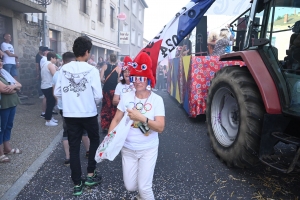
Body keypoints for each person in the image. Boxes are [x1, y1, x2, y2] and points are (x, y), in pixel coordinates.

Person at [108, 52, 165, 200]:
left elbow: (160, 127)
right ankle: (140, 194)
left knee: (145, 188)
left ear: (148, 79)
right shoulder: (126, 96)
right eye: (134, 78)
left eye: (142, 78)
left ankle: (143, 193)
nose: (138, 82)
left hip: (148, 149)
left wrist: (141, 118)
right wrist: (109, 140)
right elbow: (116, 120)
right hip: (127, 148)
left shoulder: (157, 100)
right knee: (130, 187)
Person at [54, 36, 103, 196]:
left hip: (70, 114)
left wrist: (71, 100)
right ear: (87, 52)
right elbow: (98, 96)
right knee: (94, 140)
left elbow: (57, 92)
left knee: (74, 147)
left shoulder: (63, 69)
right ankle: (90, 174)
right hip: (88, 113)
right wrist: (88, 101)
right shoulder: (92, 70)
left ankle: (77, 184)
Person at [53, 52, 90, 166]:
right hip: (78, 106)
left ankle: (68, 157)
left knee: (67, 132)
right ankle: (88, 152)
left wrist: (61, 102)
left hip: (64, 108)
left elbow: (55, 92)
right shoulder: (81, 73)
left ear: (63, 61)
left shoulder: (57, 74)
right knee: (83, 129)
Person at [0, 58, 22, 163]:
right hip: (3, 105)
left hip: (12, 103)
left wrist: (13, 86)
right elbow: (4, 90)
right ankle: (0, 153)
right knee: (1, 128)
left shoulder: (4, 72)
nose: (1, 63)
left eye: (1, 60)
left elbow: (19, 84)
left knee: (8, 126)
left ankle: (7, 148)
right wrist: (16, 88)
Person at [100, 53, 120, 134]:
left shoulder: (104, 67)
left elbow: (100, 78)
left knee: (105, 107)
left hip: (105, 90)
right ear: (116, 60)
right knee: (113, 107)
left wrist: (104, 81)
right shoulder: (118, 68)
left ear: (109, 59)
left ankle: (105, 126)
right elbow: (118, 81)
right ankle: (113, 125)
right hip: (114, 90)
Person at [41, 52, 58, 126]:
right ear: (51, 58)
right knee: (51, 103)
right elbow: (55, 76)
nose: (56, 60)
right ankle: (48, 120)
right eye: (55, 58)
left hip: (44, 85)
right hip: (49, 86)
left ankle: (50, 117)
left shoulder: (45, 64)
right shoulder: (50, 65)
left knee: (50, 102)